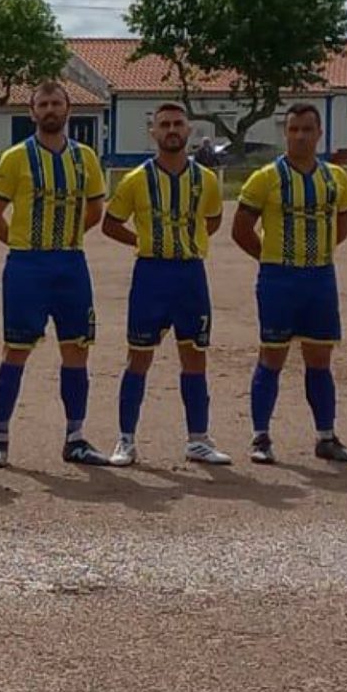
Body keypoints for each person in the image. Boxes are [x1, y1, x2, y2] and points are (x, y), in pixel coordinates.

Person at [0, 81, 110, 468]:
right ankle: (1, 438)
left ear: (68, 108)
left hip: (71, 263)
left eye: (56, 103)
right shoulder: (16, 158)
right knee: (16, 350)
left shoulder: (85, 158)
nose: (50, 109)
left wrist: (64, 238)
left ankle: (75, 437)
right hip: (27, 266)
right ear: (32, 111)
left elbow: (94, 211)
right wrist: (23, 244)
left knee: (76, 349)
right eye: (43, 104)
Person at [101, 102, 229, 467]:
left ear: (188, 131)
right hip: (151, 274)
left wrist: (187, 242)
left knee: (195, 357)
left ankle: (198, 439)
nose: (171, 130)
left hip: (190, 274)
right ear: (152, 132)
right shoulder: (136, 179)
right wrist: (145, 242)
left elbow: (213, 220)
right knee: (138, 357)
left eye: (178, 124)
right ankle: (125, 439)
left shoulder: (205, 179)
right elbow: (110, 224)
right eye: (164, 125)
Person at [231, 102, 347, 465]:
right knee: (272, 356)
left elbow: (343, 224)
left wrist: (316, 253)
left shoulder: (336, 178)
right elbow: (240, 230)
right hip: (279, 279)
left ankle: (325, 436)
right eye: (293, 129)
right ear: (284, 133)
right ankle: (260, 437)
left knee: (320, 359)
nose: (300, 136)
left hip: (320, 276)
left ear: (320, 133)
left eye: (307, 129)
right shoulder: (266, 178)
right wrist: (271, 258)